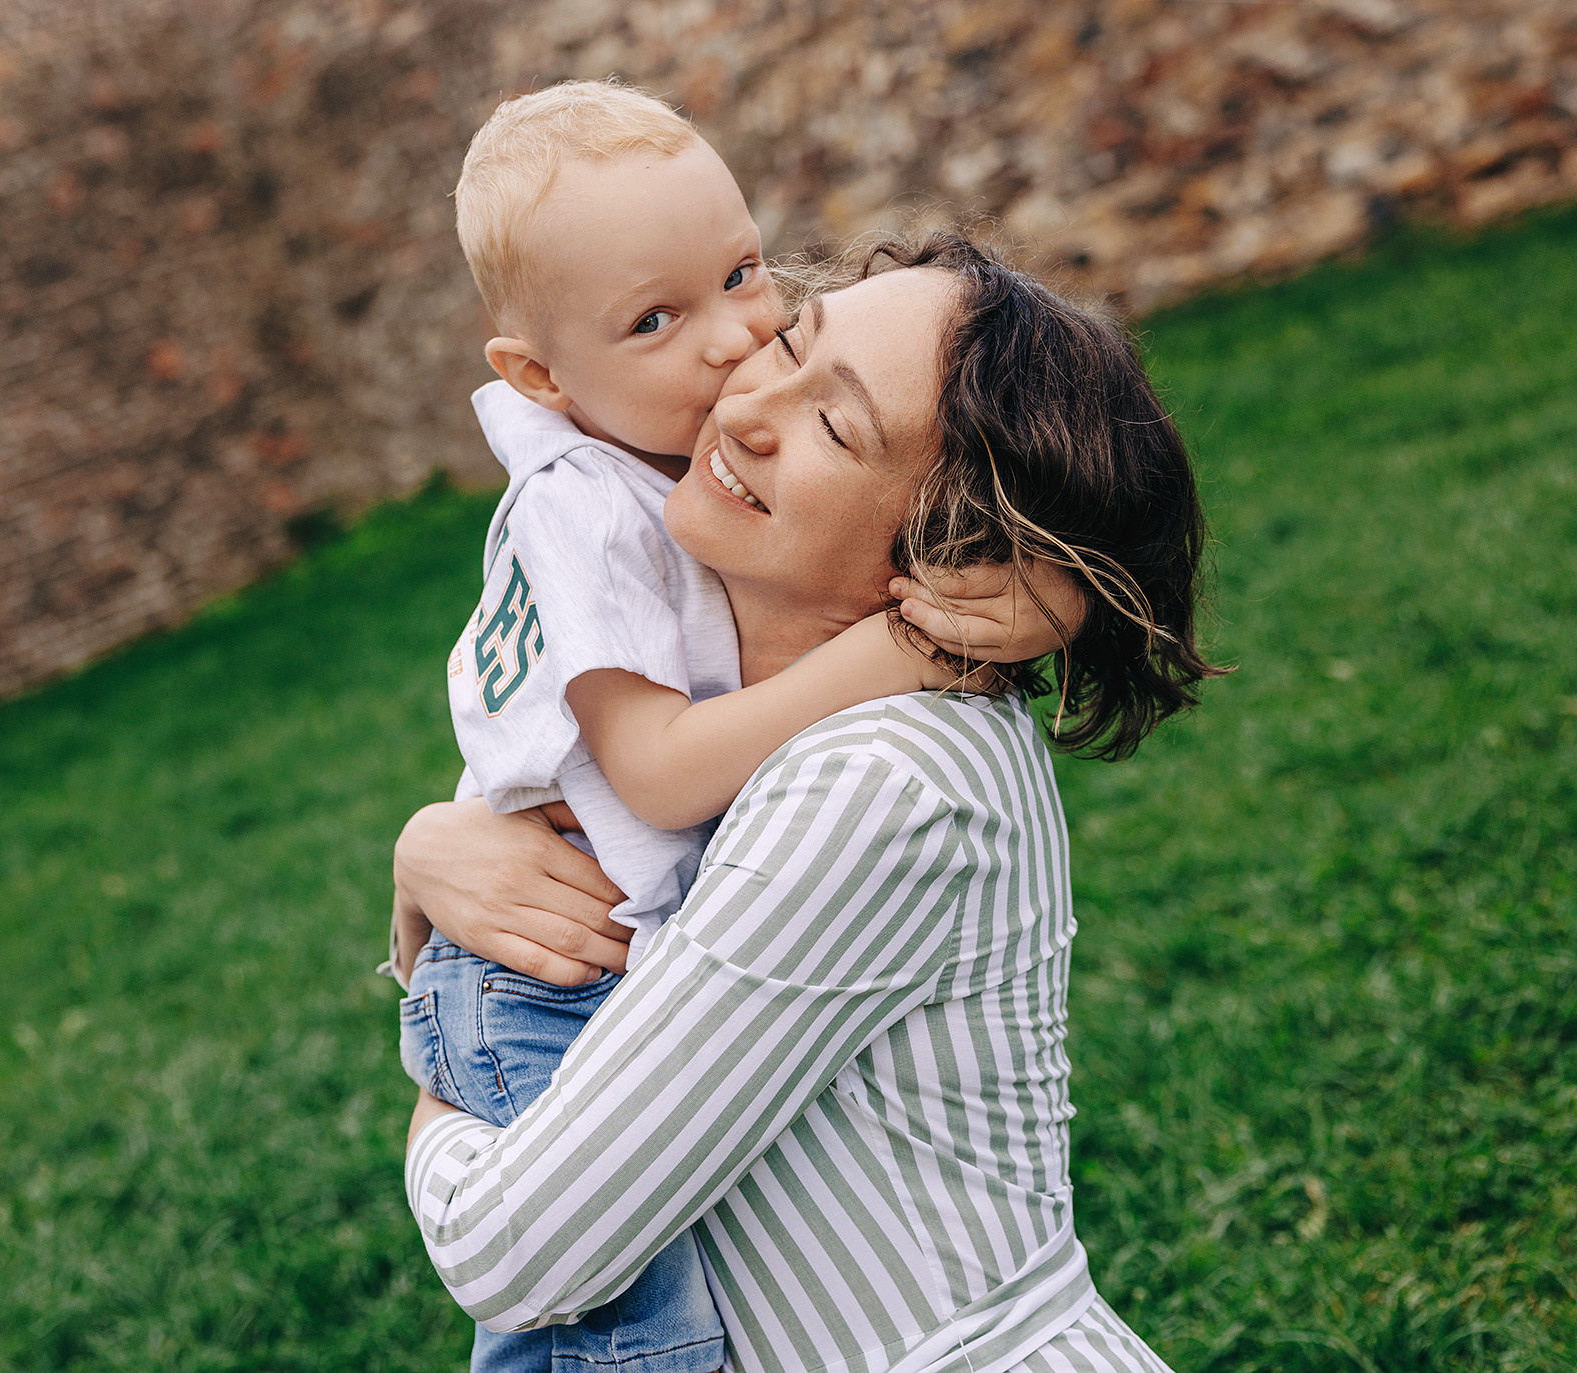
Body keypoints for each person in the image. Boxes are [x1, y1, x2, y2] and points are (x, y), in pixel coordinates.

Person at [399, 234, 1226, 1373]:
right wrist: (431, 851)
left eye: (835, 426)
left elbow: (519, 1248)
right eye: (788, 343)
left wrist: (438, 1104)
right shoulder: (722, 711)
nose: (743, 408)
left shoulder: (884, 780)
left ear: (955, 547)